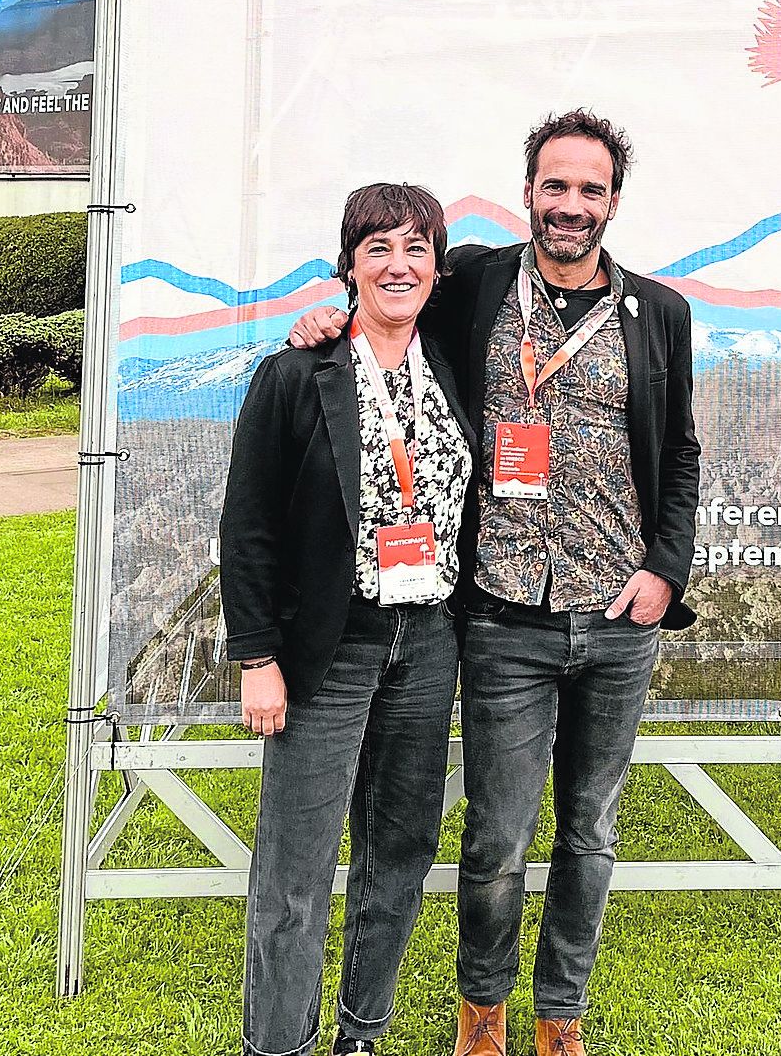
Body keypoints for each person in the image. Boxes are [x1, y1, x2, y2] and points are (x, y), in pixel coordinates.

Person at [290, 110, 701, 1056]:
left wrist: (662, 571)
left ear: (612, 202)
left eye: (589, 189)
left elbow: (678, 455)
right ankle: (485, 1012)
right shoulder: (473, 279)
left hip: (616, 614)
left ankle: (562, 1014)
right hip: (504, 613)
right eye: (554, 186)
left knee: (589, 833)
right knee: (497, 838)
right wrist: (328, 304)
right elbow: (387, 292)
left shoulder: (660, 313)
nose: (570, 205)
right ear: (527, 193)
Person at [221, 182, 475, 1056]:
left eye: (416, 247)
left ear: (437, 267)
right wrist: (257, 655)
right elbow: (248, 523)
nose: (398, 264)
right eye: (378, 248)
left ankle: (360, 1032)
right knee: (294, 870)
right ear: (348, 266)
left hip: (428, 639)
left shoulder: (454, 362)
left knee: (398, 854)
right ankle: (277, 1043)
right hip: (330, 644)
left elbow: (507, 265)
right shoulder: (298, 372)